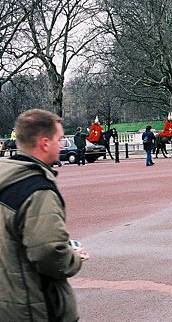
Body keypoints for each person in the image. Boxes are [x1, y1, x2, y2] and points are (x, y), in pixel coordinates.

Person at [0, 109, 89, 321]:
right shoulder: (38, 190)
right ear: (44, 143)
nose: (62, 144)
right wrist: (73, 259)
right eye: (59, 139)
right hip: (32, 306)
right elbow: (48, 252)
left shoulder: (6, 176)